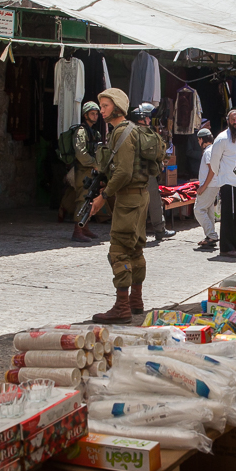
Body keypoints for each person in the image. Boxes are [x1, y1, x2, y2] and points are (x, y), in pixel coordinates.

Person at [88, 88, 149, 324]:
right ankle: (136, 301)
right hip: (139, 196)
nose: (101, 110)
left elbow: (123, 171)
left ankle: (122, 307)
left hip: (129, 198)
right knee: (135, 248)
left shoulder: (122, 132)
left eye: (105, 106)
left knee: (119, 249)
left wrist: (104, 195)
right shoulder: (132, 131)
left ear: (117, 107)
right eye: (100, 106)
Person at [130, 103, 175, 242]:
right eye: (147, 118)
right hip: (142, 172)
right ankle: (148, 231)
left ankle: (159, 229)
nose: (150, 120)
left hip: (144, 172)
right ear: (141, 118)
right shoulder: (140, 134)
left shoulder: (136, 132)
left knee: (153, 201)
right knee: (143, 203)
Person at [209, 110, 236, 258]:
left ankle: (235, 243)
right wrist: (222, 175)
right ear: (228, 121)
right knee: (228, 216)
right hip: (228, 182)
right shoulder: (222, 138)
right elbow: (214, 161)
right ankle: (226, 247)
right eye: (233, 119)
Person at [68, 102, 101, 243]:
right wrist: (94, 163)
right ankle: (77, 230)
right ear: (86, 114)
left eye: (96, 113)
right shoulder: (81, 131)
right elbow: (81, 153)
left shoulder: (93, 131)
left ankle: (85, 226)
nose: (95, 116)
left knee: (90, 199)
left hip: (91, 170)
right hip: (83, 170)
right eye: (92, 113)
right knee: (83, 199)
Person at [193, 128, 218, 250]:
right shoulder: (213, 150)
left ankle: (212, 235)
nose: (198, 142)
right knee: (208, 212)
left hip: (210, 185)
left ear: (202, 139)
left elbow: (212, 170)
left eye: (198, 140)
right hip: (213, 185)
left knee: (198, 210)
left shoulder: (208, 151)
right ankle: (210, 237)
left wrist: (203, 186)